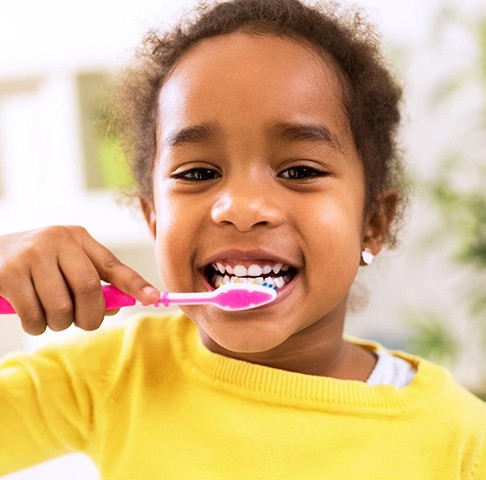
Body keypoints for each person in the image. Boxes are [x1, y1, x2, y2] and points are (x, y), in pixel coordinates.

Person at [1, 0, 485, 478]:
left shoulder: (461, 442)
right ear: (153, 220)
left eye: (299, 170)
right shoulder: (113, 376)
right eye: (198, 172)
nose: (241, 208)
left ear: (373, 223)